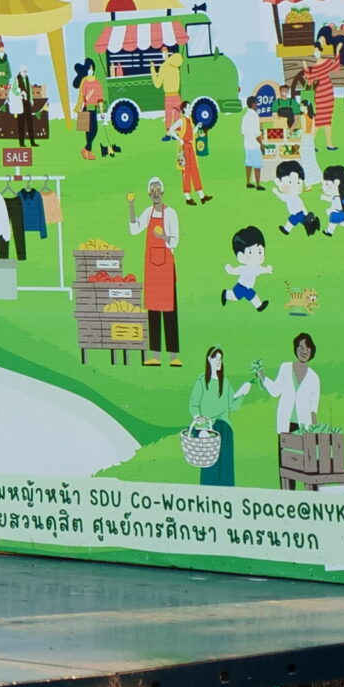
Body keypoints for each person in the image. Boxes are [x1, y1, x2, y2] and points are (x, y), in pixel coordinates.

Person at [126, 178, 182, 367]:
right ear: (149, 194)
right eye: (152, 190)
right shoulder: (148, 212)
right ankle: (156, 356)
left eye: (158, 189)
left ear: (163, 192)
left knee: (170, 312)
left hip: (166, 270)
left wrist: (162, 236)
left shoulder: (171, 213)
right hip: (151, 270)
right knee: (153, 312)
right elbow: (135, 229)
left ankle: (174, 356)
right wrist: (131, 205)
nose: (155, 193)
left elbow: (175, 241)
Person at [185, 346, 254, 486]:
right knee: (209, 464)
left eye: (221, 359)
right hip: (207, 428)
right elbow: (193, 404)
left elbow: (233, 406)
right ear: (209, 359)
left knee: (226, 466)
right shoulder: (201, 381)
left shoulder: (225, 382)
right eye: (216, 358)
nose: (219, 362)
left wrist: (243, 393)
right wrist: (197, 416)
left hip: (224, 428)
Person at [262, 333, 323, 434]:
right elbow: (275, 391)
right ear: (296, 349)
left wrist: (314, 430)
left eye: (307, 348)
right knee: (285, 444)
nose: (304, 351)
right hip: (285, 422)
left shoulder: (314, 377)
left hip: (304, 426)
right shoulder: (285, 368)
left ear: (311, 351)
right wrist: (262, 375)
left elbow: (313, 407)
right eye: (301, 347)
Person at [220, 226, 273, 312]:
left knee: (248, 296)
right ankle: (226, 294)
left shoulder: (256, 267)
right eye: (250, 252)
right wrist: (229, 269)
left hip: (246, 287)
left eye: (260, 251)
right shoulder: (244, 269)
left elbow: (261, 269)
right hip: (241, 287)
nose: (257, 256)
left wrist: (267, 270)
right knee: (239, 297)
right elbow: (234, 271)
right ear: (240, 255)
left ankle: (259, 306)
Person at [78, 61, 107, 161]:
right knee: (88, 131)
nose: (89, 71)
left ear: (93, 69)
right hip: (86, 108)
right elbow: (83, 98)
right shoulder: (85, 82)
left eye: (90, 68)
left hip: (93, 109)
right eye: (87, 69)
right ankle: (88, 152)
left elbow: (100, 99)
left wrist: (102, 112)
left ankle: (85, 149)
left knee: (95, 130)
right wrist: (89, 95)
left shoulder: (97, 83)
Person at [176, 112, 207, 205]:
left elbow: (191, 134)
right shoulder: (182, 120)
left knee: (194, 170)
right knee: (186, 171)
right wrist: (179, 139)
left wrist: (197, 126)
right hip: (184, 148)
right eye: (188, 107)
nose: (190, 109)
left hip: (190, 146)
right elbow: (171, 130)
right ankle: (187, 197)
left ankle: (201, 196)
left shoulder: (189, 120)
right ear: (184, 109)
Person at [240, 104, 266, 191]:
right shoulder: (255, 116)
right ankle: (258, 184)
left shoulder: (245, 116)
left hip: (247, 143)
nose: (257, 105)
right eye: (255, 103)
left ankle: (248, 182)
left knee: (248, 163)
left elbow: (243, 132)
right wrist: (261, 145)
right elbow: (257, 134)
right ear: (252, 104)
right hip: (255, 144)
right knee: (257, 165)